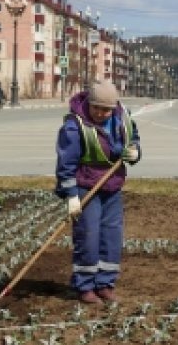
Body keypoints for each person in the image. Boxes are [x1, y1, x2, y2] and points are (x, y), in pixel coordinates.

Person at [55, 80, 141, 305]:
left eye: (106, 110)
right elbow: (66, 164)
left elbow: (133, 139)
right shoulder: (75, 127)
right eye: (97, 108)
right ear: (90, 104)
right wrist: (72, 195)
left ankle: (105, 284)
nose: (102, 114)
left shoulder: (122, 119)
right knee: (89, 237)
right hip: (87, 188)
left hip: (112, 187)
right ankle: (85, 287)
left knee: (111, 237)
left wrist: (135, 152)